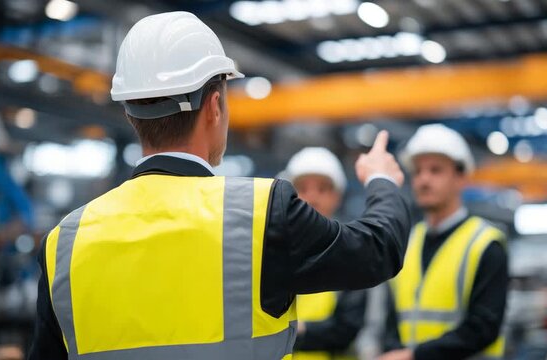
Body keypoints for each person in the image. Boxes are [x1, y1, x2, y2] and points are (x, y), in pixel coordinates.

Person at [28, 11, 411, 360]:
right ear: (214, 106)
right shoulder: (261, 213)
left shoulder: (65, 243)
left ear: (130, 114)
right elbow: (379, 249)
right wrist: (380, 178)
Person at [379, 124, 508, 360]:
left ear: (461, 177)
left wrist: (414, 355)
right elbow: (392, 320)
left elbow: (483, 328)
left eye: (435, 170)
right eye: (417, 171)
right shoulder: (407, 243)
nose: (423, 180)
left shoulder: (485, 244)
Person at [282, 147, 367, 360]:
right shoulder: (272, 253)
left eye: (322, 189)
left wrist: (295, 332)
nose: (312, 197)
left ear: (337, 197)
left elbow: (347, 328)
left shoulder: (350, 254)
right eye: (303, 188)